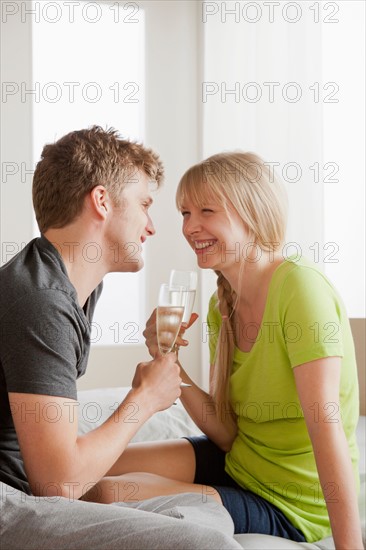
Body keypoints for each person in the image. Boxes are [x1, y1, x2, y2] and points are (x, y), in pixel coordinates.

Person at [84, 152, 363, 548]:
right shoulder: (222, 305)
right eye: (184, 213)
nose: (189, 226)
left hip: (290, 502)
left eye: (206, 210)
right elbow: (227, 433)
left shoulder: (300, 290)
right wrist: (170, 364)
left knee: (112, 493)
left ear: (252, 212)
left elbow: (326, 428)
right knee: (89, 468)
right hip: (240, 462)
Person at [0, 127, 242, 549]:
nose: (151, 227)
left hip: (25, 481)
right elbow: (57, 483)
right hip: (10, 498)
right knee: (207, 543)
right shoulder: (40, 299)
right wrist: (143, 399)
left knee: (205, 510)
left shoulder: (69, 285)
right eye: (144, 204)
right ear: (102, 201)